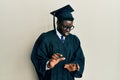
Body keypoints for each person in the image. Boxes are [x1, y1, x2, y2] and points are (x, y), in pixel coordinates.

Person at [31, 5, 85, 80]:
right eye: (65, 27)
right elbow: (36, 58)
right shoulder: (45, 38)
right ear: (58, 23)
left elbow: (80, 58)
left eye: (70, 27)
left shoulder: (74, 40)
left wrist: (75, 66)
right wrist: (48, 64)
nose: (68, 30)